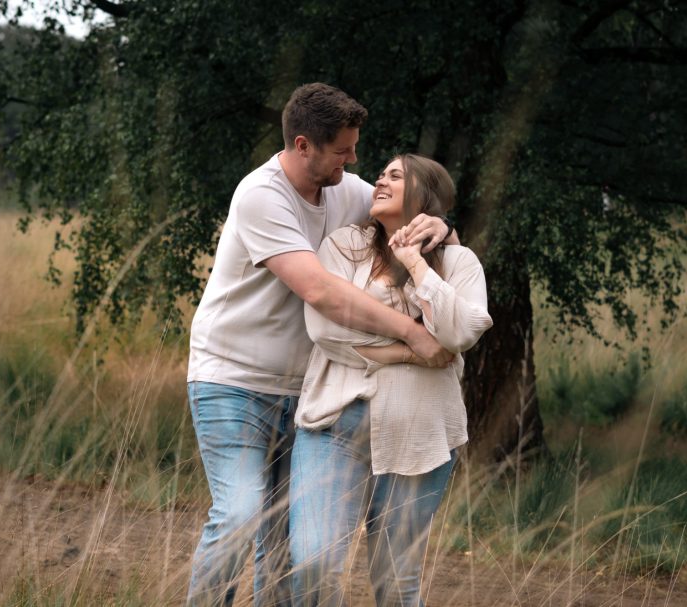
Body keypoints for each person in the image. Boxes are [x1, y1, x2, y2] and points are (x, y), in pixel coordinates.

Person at [186, 85, 455, 606]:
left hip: (308, 396)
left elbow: (408, 206)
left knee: (285, 544)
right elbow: (319, 291)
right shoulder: (261, 195)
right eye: (342, 151)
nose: (353, 161)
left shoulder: (345, 189)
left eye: (354, 149)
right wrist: (412, 334)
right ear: (303, 145)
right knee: (240, 513)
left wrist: (442, 224)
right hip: (233, 381)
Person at [289, 154, 493, 607]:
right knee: (313, 562)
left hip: (420, 434)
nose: (380, 181)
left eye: (395, 176)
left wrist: (415, 263)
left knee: (396, 579)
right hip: (333, 426)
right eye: (381, 174)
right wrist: (412, 347)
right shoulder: (344, 246)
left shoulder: (459, 261)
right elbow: (325, 329)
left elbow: (461, 332)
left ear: (424, 194)